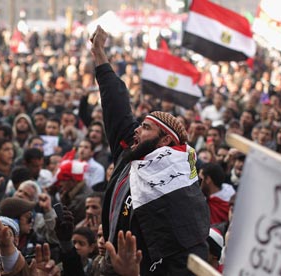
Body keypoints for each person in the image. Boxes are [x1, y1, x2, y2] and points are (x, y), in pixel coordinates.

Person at [90, 26, 209, 275]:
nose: (135, 131)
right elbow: (116, 106)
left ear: (165, 140)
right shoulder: (131, 154)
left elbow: (186, 249)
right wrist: (99, 54)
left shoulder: (180, 187)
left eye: (144, 127)